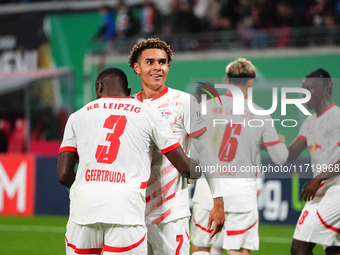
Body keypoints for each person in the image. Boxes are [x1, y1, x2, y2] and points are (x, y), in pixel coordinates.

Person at [57, 67, 201, 255]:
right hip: (126, 208)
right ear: (128, 90)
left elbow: (63, 174)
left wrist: (87, 187)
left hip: (83, 208)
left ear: (98, 87)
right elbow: (186, 168)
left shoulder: (77, 116)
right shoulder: (149, 114)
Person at [128, 38, 225, 255]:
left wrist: (218, 201)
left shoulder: (184, 102)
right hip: (132, 212)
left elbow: (205, 151)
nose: (157, 67)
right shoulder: (128, 106)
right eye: (150, 62)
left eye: (162, 62)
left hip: (171, 213)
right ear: (137, 68)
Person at [190, 57, 288, 255]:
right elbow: (280, 158)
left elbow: (195, 152)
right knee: (239, 250)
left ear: (226, 81)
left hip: (208, 190)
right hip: (241, 192)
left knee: (202, 247)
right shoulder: (261, 115)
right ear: (251, 82)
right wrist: (277, 142)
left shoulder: (207, 107)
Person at [288, 68, 340, 255]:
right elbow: (291, 152)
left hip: (335, 189)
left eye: (311, 88)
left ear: (326, 89)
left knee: (299, 248)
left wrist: (318, 179)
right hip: (325, 189)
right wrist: (266, 142)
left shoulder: (337, 116)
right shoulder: (309, 122)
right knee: (334, 249)